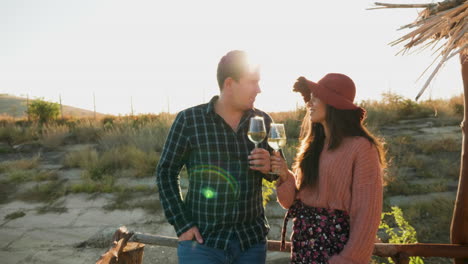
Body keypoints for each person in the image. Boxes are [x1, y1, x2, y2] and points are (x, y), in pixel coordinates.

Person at [156, 50, 277, 264]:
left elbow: (277, 174)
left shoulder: (263, 121)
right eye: (252, 82)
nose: (259, 89)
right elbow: (166, 172)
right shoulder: (190, 120)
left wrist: (271, 167)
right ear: (229, 83)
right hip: (203, 244)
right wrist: (181, 224)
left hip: (251, 243)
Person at [271, 73, 386, 264]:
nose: (309, 103)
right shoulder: (314, 145)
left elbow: (367, 214)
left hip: (336, 249)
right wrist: (285, 175)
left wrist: (349, 260)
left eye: (316, 97)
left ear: (333, 104)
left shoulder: (362, 148)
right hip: (303, 244)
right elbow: (291, 202)